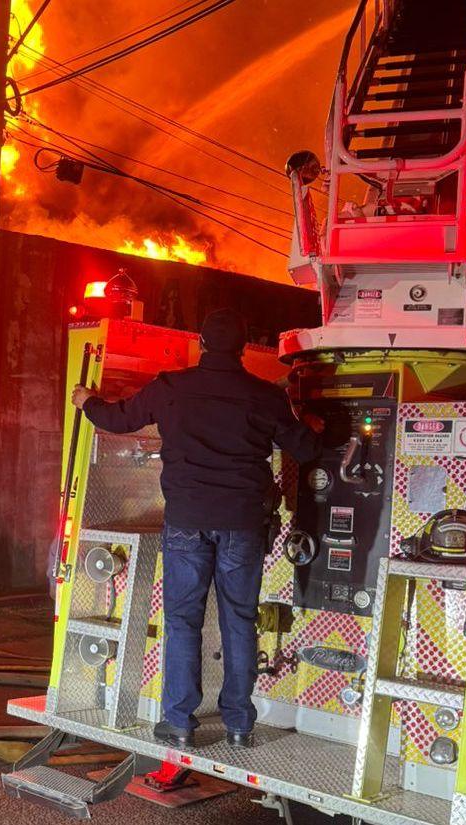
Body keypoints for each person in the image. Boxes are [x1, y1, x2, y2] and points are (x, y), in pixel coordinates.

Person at [71, 308, 321, 749]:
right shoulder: (264, 396)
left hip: (187, 522)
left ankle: (180, 722)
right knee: (239, 620)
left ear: (202, 344)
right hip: (243, 524)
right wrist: (315, 426)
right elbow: (305, 449)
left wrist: (86, 400)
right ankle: (239, 724)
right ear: (242, 349)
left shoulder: (171, 388)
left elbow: (118, 420)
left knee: (183, 621)